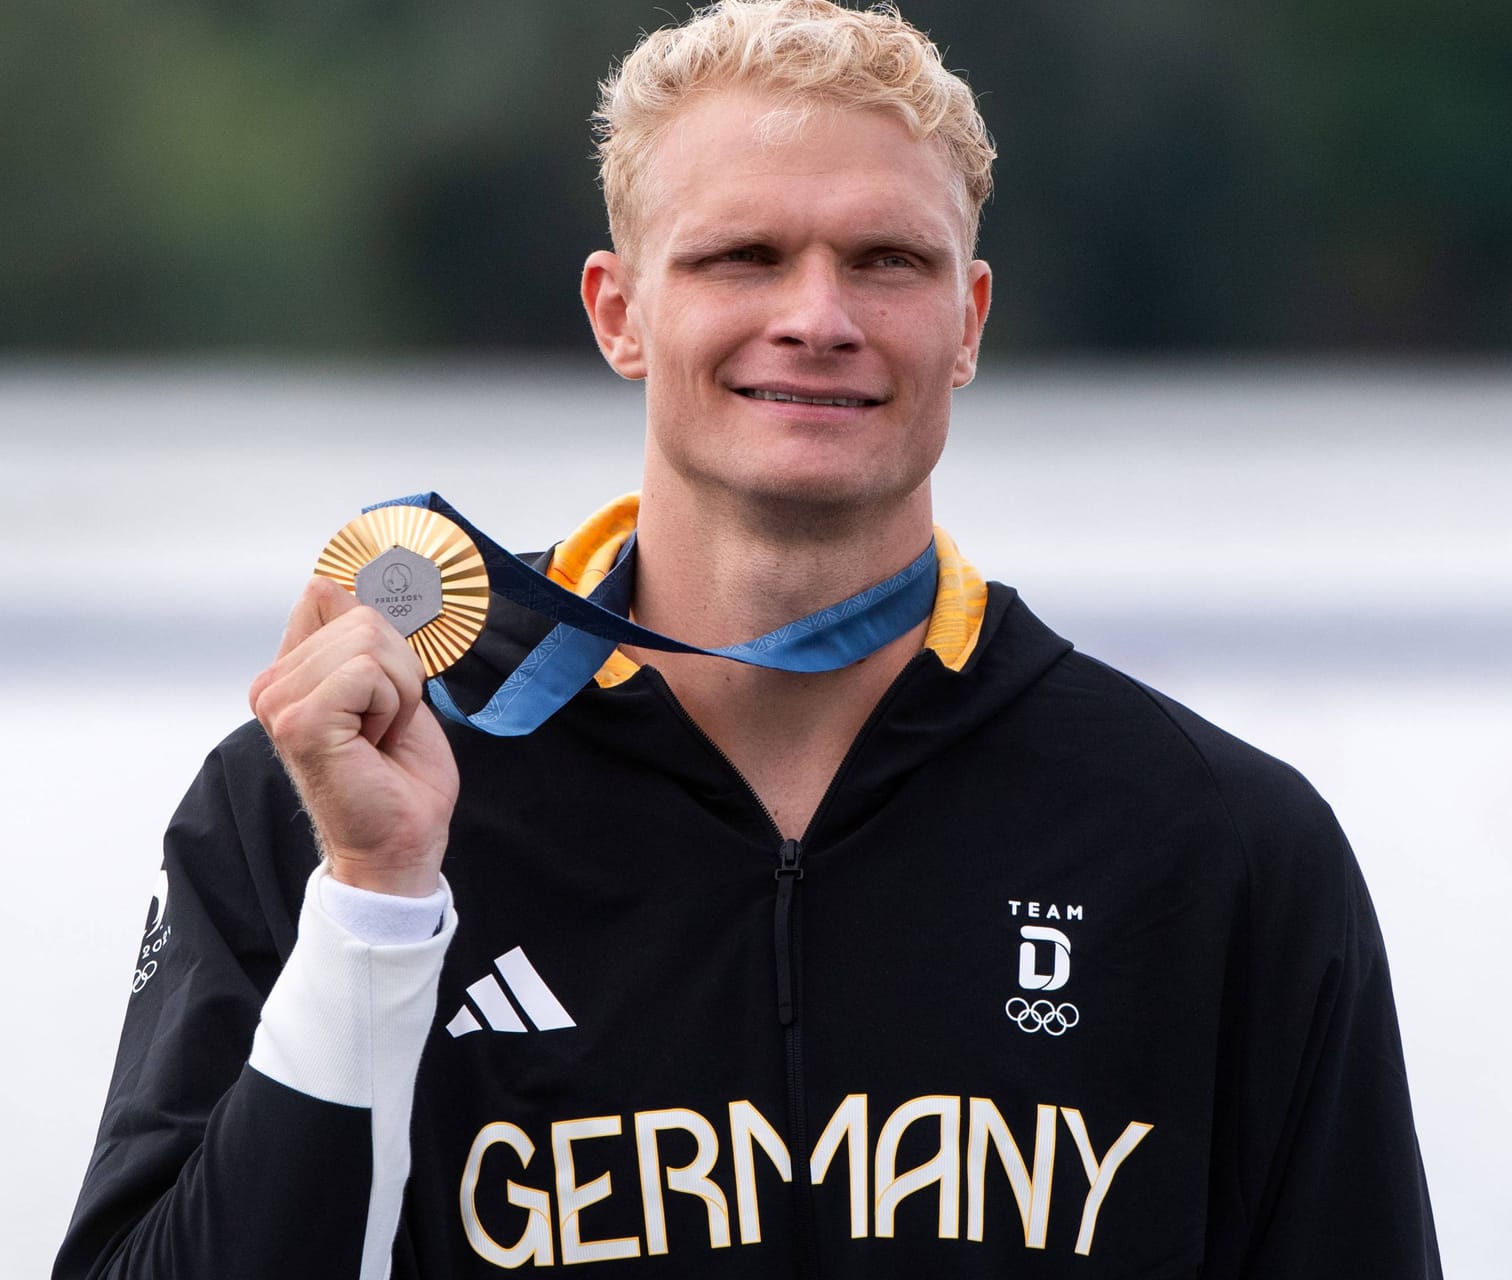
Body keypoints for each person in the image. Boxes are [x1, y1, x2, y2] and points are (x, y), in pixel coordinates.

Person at [57, 2, 1441, 1276]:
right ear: (620, 312)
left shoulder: (1216, 847)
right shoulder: (323, 796)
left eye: (888, 262)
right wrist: (373, 907)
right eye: (745, 256)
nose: (818, 318)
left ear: (966, 323)